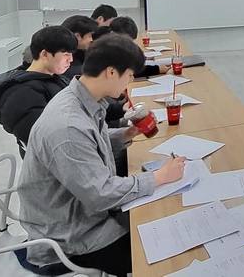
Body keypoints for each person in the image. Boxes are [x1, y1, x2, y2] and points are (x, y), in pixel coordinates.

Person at [18, 35, 187, 277]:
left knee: (162, 219)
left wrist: (127, 133)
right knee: (168, 255)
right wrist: (159, 177)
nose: (130, 81)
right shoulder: (67, 126)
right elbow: (100, 194)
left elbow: (91, 140)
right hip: (72, 236)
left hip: (84, 213)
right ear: (111, 72)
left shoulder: (78, 98)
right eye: (129, 75)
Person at [0, 26, 76, 156]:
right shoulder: (22, 93)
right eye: (66, 54)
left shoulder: (54, 78)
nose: (71, 59)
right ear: (44, 54)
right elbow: (43, 139)